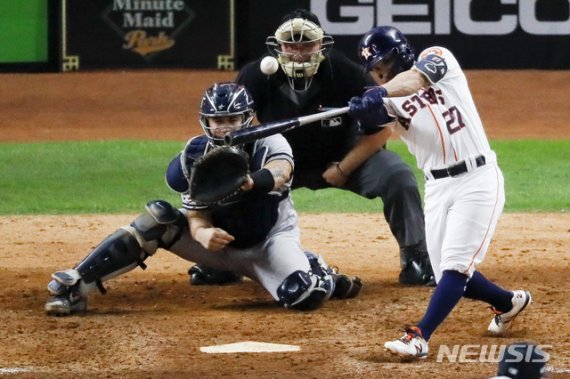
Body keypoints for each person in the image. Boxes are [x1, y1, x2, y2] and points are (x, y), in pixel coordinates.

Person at [45, 82, 362, 316]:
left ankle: (317, 270)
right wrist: (203, 233)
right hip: (218, 247)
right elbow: (195, 214)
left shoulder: (269, 142)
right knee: (157, 219)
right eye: (218, 120)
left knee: (305, 295)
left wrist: (249, 181)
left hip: (268, 244)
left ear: (247, 118)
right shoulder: (194, 155)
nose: (224, 127)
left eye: (233, 119)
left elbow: (280, 172)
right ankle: (77, 284)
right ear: (206, 121)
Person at [189, 8, 435, 287]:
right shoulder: (256, 76)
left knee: (396, 175)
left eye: (306, 43)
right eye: (290, 44)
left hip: (341, 158)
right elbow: (236, 130)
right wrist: (254, 170)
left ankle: (416, 257)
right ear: (277, 46)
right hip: (278, 163)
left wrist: (344, 168)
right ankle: (223, 260)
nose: (298, 52)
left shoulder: (345, 73)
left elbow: (382, 130)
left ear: (322, 44)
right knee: (231, 178)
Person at [347, 26, 532, 358]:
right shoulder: (390, 100)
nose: (379, 74)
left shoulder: (437, 59)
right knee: (445, 271)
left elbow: (413, 82)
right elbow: (373, 120)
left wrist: (380, 92)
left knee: (456, 267)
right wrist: (362, 109)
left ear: (399, 54)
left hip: (477, 178)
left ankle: (419, 336)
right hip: (437, 187)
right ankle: (508, 302)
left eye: (382, 64)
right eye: (374, 71)